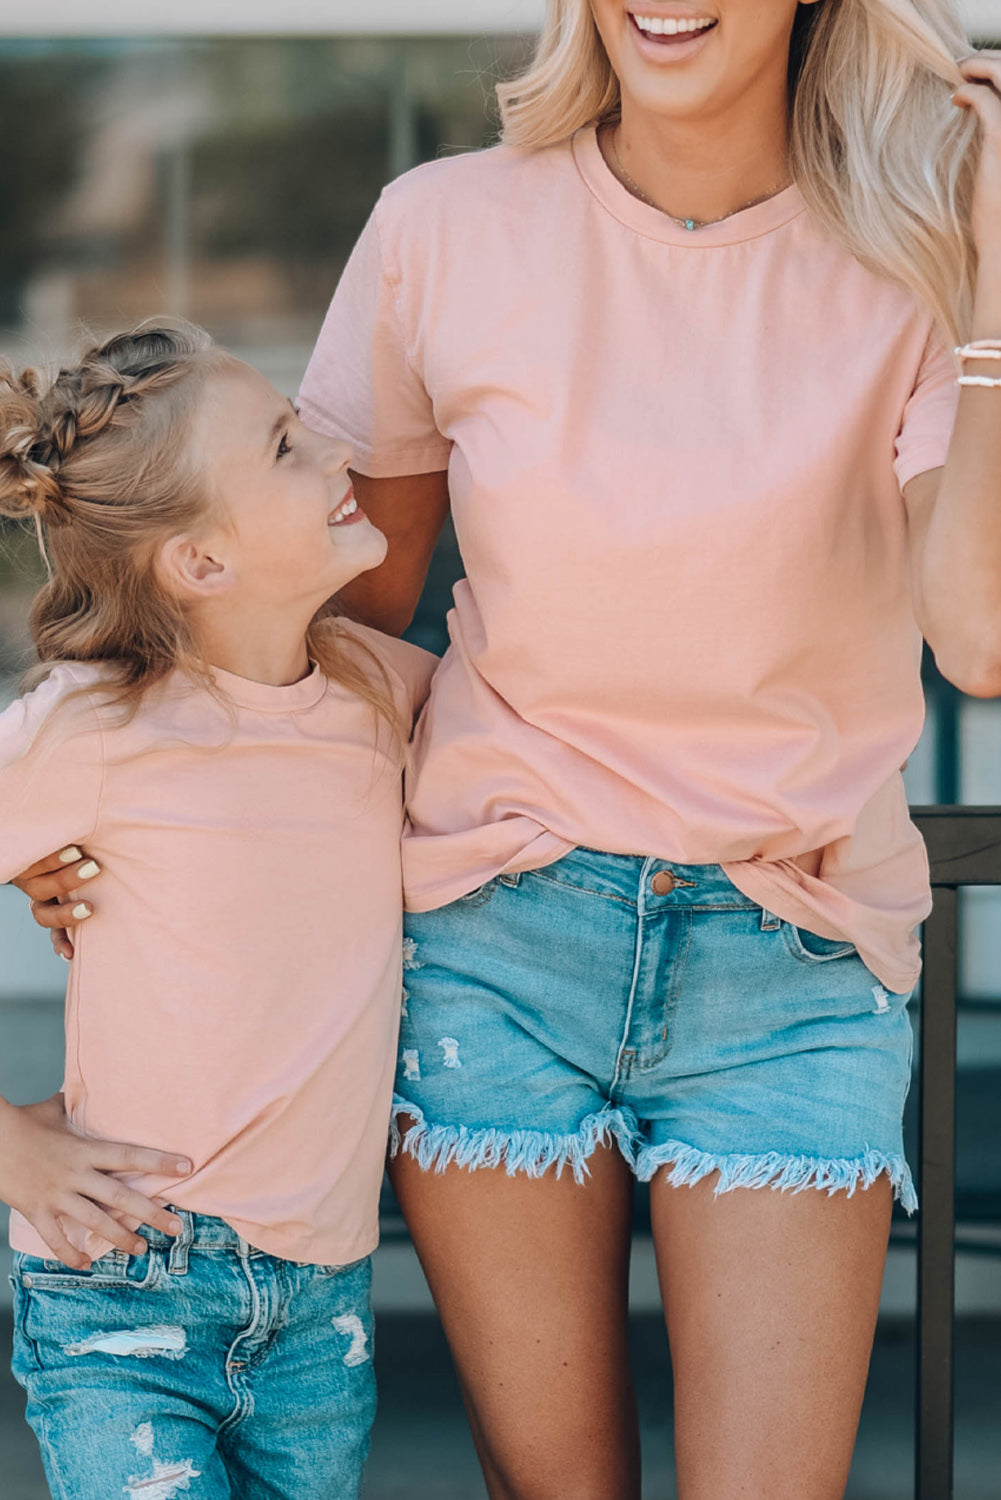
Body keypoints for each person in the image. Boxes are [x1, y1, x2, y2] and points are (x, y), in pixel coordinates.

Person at [292, 3, 1001, 1497]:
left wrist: (996, 278)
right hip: (494, 936)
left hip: (793, 954)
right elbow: (339, 623)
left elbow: (982, 642)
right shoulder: (441, 228)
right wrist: (155, 811)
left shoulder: (917, 259)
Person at [0, 322, 433, 1499]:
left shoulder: (384, 696)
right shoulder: (89, 730)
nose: (334, 451)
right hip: (126, 1290)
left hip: (321, 1313)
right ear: (199, 562)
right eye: (288, 445)